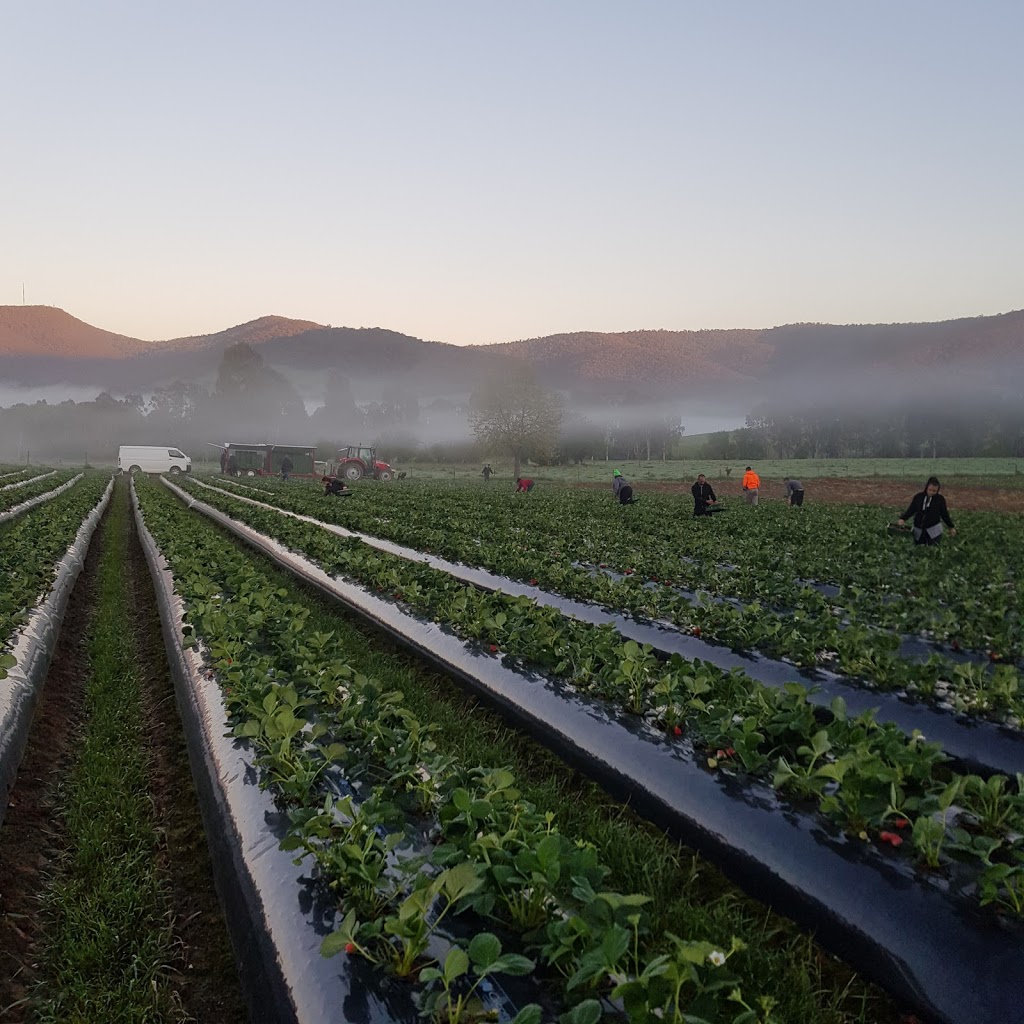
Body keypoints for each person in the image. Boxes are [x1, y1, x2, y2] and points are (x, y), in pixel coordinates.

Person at [898, 476, 956, 545]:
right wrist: (903, 519)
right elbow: (911, 509)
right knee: (919, 550)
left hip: (934, 531)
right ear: (926, 488)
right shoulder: (918, 497)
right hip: (919, 530)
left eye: (934, 491)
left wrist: (951, 527)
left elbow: (944, 514)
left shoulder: (940, 499)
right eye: (930, 490)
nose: (931, 492)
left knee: (932, 551)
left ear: (938, 490)